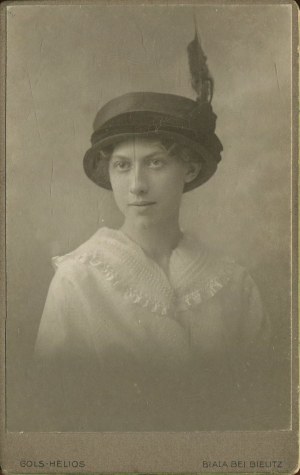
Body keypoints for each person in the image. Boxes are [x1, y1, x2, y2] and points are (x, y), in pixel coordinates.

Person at [33, 36, 271, 432]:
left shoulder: (233, 284)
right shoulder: (79, 280)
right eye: (123, 166)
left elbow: (262, 408)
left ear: (190, 169)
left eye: (156, 163)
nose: (137, 186)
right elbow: (53, 415)